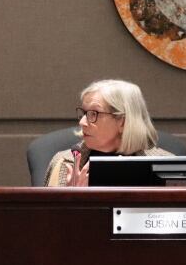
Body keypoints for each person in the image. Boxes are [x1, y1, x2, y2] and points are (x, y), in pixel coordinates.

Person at [44, 79, 172, 187]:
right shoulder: (64, 163)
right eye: (84, 113)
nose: (82, 122)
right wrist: (73, 198)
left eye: (94, 113)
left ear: (123, 121)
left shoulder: (168, 166)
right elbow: (46, 217)